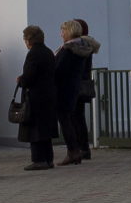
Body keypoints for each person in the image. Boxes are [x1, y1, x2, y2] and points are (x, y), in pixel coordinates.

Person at [52, 20, 98, 165]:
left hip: (65, 88)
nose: (61, 34)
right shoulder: (83, 47)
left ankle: (73, 151)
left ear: (69, 31)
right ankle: (80, 149)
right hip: (75, 86)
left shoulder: (69, 49)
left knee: (66, 120)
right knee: (76, 118)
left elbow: (59, 69)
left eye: (63, 31)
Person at [14, 27, 55, 169]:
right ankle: (49, 159)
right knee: (45, 130)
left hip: (35, 97)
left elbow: (30, 76)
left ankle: (38, 159)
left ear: (29, 40)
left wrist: (21, 80)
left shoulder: (33, 54)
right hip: (48, 95)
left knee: (35, 129)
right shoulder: (48, 52)